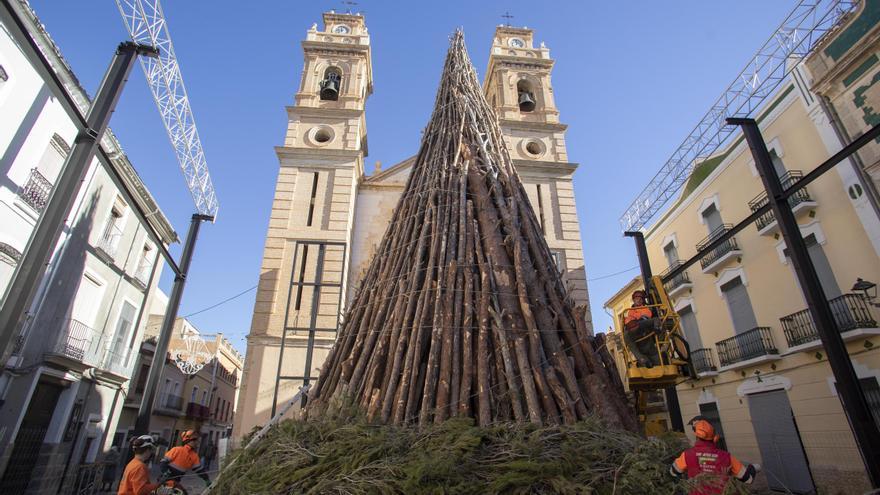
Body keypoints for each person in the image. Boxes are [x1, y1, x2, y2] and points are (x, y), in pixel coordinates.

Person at [670, 417, 758, 495]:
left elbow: (673, 472)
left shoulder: (687, 455)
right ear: (715, 437)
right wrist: (753, 467)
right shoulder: (726, 457)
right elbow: (748, 479)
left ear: (696, 435)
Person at [623, 290, 660, 367]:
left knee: (655, 319)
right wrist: (632, 322)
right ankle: (642, 359)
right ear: (634, 300)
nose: (639, 300)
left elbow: (646, 316)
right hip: (635, 330)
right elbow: (628, 321)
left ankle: (657, 328)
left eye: (640, 299)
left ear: (643, 300)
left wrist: (636, 319)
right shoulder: (629, 311)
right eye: (637, 298)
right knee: (627, 337)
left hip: (643, 327)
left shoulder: (646, 308)